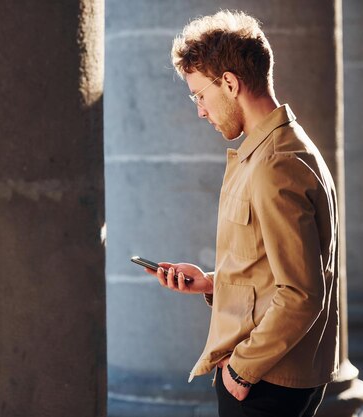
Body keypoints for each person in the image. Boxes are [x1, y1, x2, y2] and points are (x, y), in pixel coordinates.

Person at [142, 10, 340, 417]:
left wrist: (240, 372)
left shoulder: (275, 162)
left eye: (200, 94)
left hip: (265, 381)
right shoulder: (278, 148)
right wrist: (213, 284)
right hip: (272, 376)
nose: (200, 110)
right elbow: (278, 268)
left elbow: (302, 294)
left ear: (229, 83)